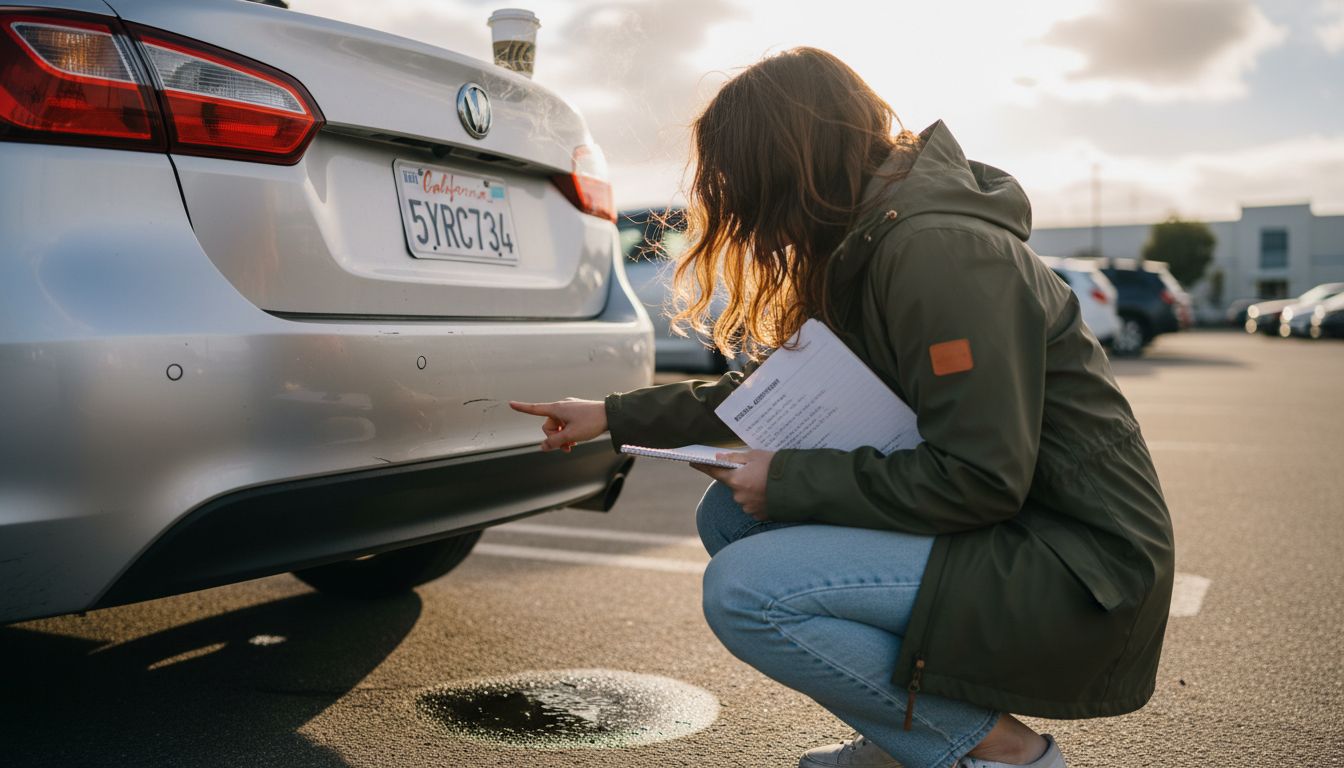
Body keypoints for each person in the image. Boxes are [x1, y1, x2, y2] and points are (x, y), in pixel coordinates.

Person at [510, 47, 1173, 768]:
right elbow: (770, 394)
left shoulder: (937, 252)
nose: (749, 217)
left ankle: (998, 750)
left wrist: (787, 479)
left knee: (746, 592)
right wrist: (612, 415)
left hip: (1081, 566)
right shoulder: (873, 240)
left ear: (793, 167)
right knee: (729, 517)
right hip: (1020, 537)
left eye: (746, 187)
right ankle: (907, 739)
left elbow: (983, 478)